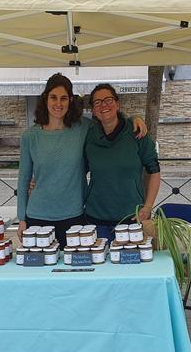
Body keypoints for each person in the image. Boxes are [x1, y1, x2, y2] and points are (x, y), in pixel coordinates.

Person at [16, 74, 145, 247]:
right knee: (41, 271)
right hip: (37, 217)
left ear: (70, 101)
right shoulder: (30, 136)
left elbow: (108, 117)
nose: (58, 104)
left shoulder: (84, 127)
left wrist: (134, 118)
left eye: (64, 98)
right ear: (45, 99)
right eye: (53, 97)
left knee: (74, 270)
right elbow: (23, 179)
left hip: (74, 217)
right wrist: (22, 219)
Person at [84, 84, 161, 241]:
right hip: (96, 220)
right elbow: (74, 169)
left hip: (131, 219)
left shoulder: (136, 132)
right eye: (97, 102)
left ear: (118, 104)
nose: (103, 105)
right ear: (93, 110)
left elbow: (154, 171)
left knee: (131, 265)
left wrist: (148, 207)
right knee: (100, 265)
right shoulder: (88, 135)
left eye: (108, 100)